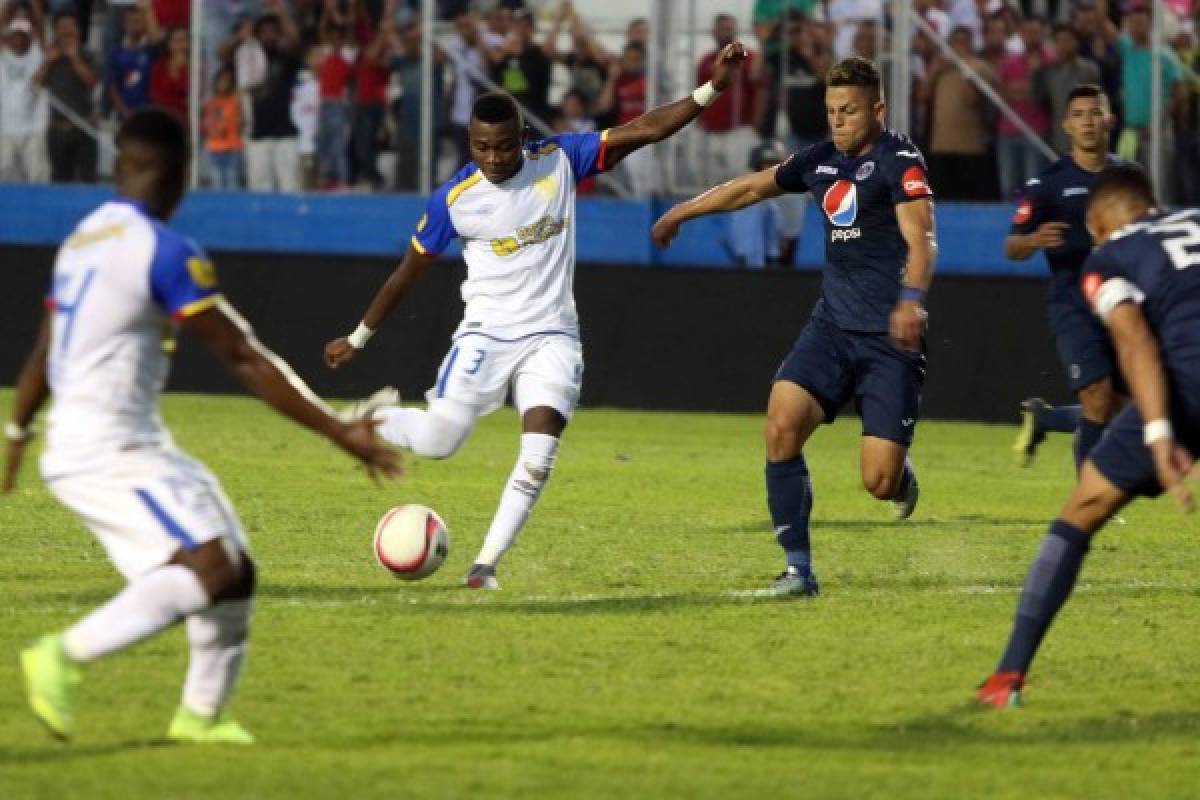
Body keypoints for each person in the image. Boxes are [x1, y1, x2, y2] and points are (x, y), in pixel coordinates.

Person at [5, 108, 399, 744]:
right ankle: (63, 655)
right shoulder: (161, 250)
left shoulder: (83, 240)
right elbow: (242, 356)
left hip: (115, 441)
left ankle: (201, 717)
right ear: (181, 174)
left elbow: (44, 349)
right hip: (104, 447)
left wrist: (18, 434)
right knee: (211, 568)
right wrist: (338, 429)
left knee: (235, 569)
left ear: (118, 166)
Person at [324, 44, 748, 590]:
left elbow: (644, 129)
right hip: (484, 334)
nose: (494, 159)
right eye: (481, 148)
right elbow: (408, 272)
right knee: (438, 442)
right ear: (470, 143)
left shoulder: (561, 159)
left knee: (540, 451)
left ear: (521, 139)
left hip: (553, 334)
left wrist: (710, 87)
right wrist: (359, 337)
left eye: (502, 147)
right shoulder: (455, 198)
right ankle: (376, 418)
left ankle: (484, 567)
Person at [652, 57, 937, 597]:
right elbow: (751, 188)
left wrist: (911, 300)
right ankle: (798, 570)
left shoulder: (902, 161)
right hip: (831, 327)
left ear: (877, 109)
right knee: (781, 424)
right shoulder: (821, 161)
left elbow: (922, 239)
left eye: (849, 111)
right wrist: (682, 211)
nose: (838, 121)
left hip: (890, 338)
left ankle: (899, 475)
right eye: (831, 111)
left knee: (877, 482)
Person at [977, 164, 1200, 709]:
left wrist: (1157, 433)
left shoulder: (1108, 257)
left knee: (1083, 508)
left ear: (1099, 222)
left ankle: (1007, 677)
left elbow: (1135, 342)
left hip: (1188, 384)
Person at [1008, 85, 1126, 469]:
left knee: (1120, 407)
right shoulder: (1049, 183)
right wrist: (1033, 239)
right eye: (1079, 115)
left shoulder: (1129, 176)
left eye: (1095, 113)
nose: (1088, 122)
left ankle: (1045, 418)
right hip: (1073, 305)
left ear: (1109, 120)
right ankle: (1092, 499)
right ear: (1066, 126)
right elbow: (1012, 246)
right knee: (1096, 396)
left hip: (1123, 305)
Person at [697, 14, 763, 186]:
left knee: (739, 180)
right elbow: (698, 92)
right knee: (708, 183)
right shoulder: (705, 61)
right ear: (714, 32)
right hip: (710, 131)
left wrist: (756, 124)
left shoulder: (749, 58)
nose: (725, 33)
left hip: (739, 130)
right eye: (722, 29)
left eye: (729, 29)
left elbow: (761, 90)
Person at [35, 12, 98, 183]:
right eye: (62, 27)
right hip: (57, 128)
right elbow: (36, 85)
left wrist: (74, 57)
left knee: (88, 179)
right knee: (60, 179)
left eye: (70, 26)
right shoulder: (50, 54)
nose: (66, 31)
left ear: (78, 30)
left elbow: (92, 82)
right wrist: (47, 62)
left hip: (84, 125)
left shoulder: (87, 53)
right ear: (55, 31)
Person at [1034, 24, 1101, 156]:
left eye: (1068, 40)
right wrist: (1035, 71)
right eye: (1059, 41)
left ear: (1076, 43)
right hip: (1059, 139)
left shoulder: (1089, 70)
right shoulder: (1049, 73)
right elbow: (1038, 99)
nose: (1063, 45)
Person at [0, 12, 49, 183]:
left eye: (23, 36)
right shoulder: (2, 57)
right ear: (8, 38)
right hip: (5, 129)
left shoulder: (38, 56)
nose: (19, 40)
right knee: (5, 179)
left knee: (38, 178)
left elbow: (41, 28)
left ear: (30, 37)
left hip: (33, 129)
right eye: (15, 36)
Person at [107, 0, 162, 121]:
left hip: (150, 113)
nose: (133, 25)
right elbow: (113, 87)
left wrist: (147, 10)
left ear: (144, 23)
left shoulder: (150, 49)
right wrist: (125, 112)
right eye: (130, 21)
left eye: (137, 21)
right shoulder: (117, 52)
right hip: (126, 115)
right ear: (124, 24)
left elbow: (157, 41)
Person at [202, 66, 243, 189]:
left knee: (233, 183)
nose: (224, 83)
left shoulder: (236, 101)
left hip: (232, 148)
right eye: (221, 80)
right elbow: (207, 125)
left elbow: (241, 122)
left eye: (227, 81)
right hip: (214, 148)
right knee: (217, 184)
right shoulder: (210, 103)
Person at [148, 25, 189, 121]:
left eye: (183, 40)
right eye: (176, 41)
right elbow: (155, 96)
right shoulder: (159, 66)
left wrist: (182, 69)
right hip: (163, 117)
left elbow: (190, 96)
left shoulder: (195, 67)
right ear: (169, 44)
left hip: (186, 118)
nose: (180, 45)